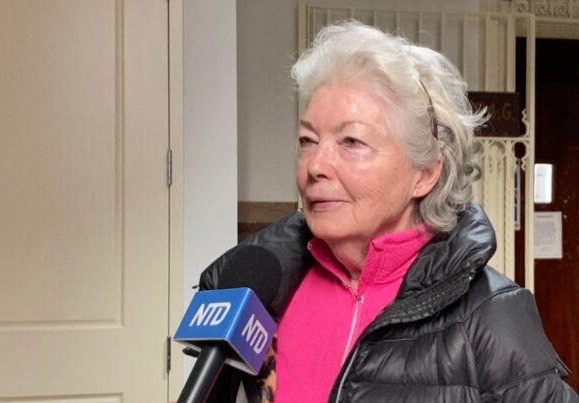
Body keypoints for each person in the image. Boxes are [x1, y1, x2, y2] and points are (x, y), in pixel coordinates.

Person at [199, 21, 579, 402]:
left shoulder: (493, 316)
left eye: (352, 141)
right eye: (307, 140)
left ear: (425, 174)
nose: (315, 165)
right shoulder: (262, 289)